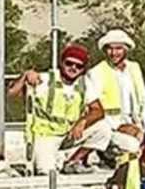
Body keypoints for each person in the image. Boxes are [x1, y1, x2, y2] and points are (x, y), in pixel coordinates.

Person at [68, 29, 145, 170]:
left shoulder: (134, 68)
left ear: (126, 49)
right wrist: (123, 128)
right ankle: (107, 155)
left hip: (134, 122)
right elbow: (94, 109)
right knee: (133, 145)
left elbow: (144, 101)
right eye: (110, 49)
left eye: (118, 48)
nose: (114, 53)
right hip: (110, 125)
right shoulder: (96, 72)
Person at [9, 43, 99, 173]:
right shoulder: (45, 80)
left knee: (103, 129)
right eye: (69, 63)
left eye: (78, 66)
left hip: (68, 133)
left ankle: (73, 162)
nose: (73, 68)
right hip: (45, 135)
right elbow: (12, 94)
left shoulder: (84, 84)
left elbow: (98, 110)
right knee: (47, 173)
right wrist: (25, 77)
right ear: (61, 63)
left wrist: (83, 121)